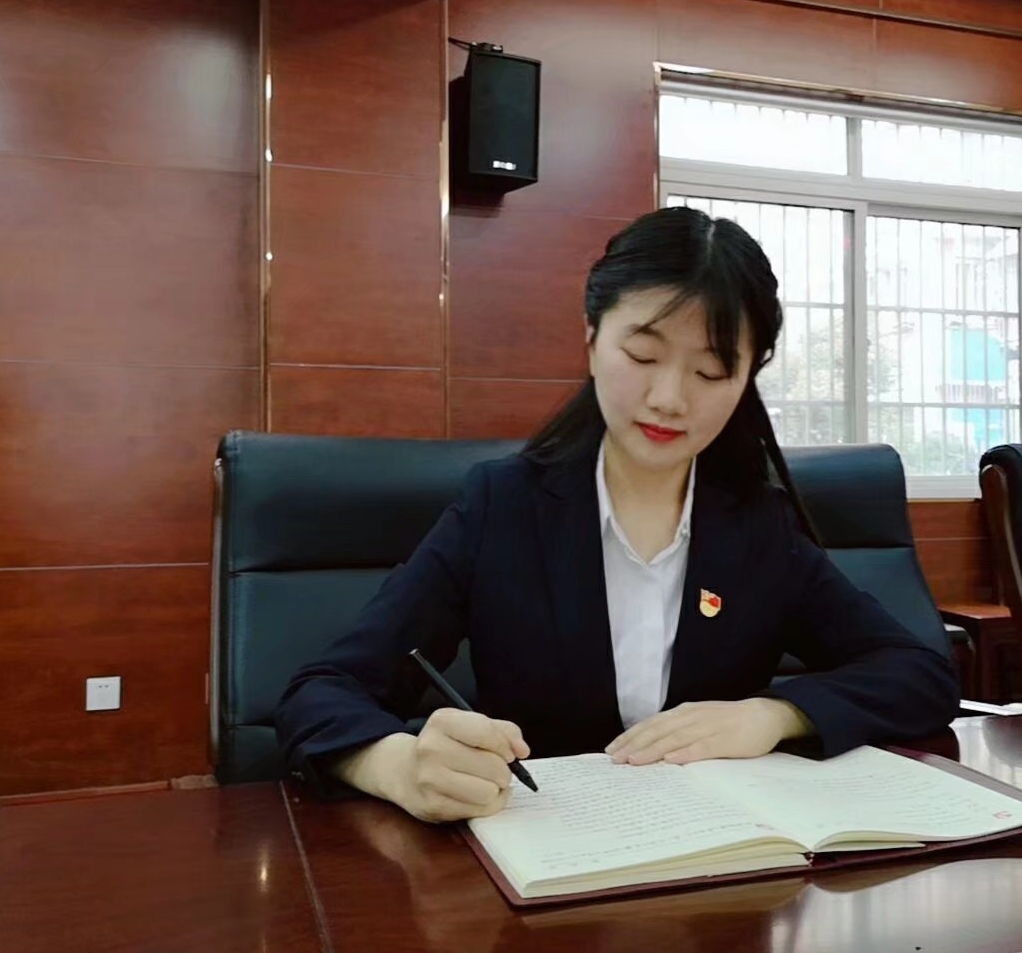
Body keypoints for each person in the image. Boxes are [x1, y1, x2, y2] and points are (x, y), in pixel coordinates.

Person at [275, 206, 960, 824]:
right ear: (592, 339)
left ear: (748, 377)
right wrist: (398, 766)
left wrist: (776, 715)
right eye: (642, 354)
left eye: (711, 372)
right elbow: (322, 691)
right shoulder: (503, 507)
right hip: (543, 861)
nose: (669, 398)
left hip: (721, 864)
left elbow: (919, 672)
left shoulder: (757, 526)